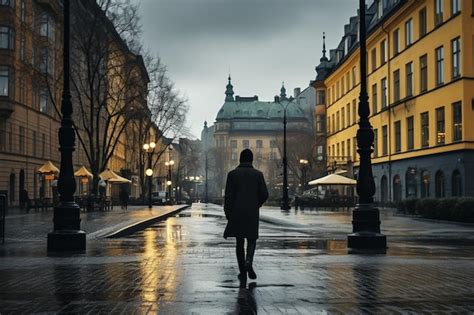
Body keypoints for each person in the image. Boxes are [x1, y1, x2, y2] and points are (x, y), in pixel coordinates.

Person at [223, 149, 268, 287]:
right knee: (252, 240)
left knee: (239, 242)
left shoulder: (232, 175)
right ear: (252, 159)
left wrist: (228, 213)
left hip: (237, 212)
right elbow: (265, 194)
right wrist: (256, 204)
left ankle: (243, 270)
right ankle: (249, 262)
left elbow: (228, 197)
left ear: (240, 159)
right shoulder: (258, 175)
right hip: (252, 212)